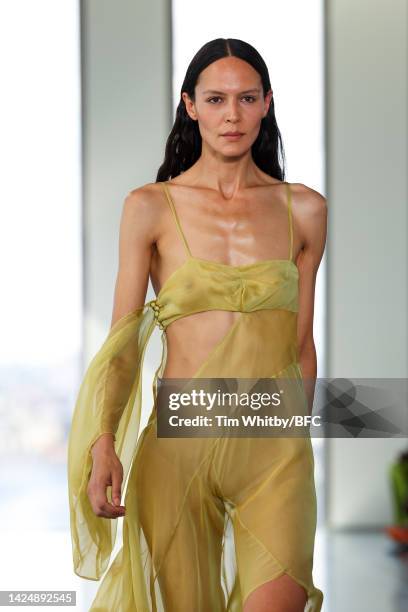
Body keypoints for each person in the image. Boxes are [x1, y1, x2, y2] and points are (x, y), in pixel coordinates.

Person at [67, 37, 327, 612]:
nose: (231, 114)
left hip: (273, 447)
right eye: (215, 99)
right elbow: (122, 343)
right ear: (190, 106)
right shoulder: (149, 206)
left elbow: (302, 340)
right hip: (178, 445)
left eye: (246, 98)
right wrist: (103, 442)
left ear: (266, 104)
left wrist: (295, 435)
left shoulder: (305, 208)